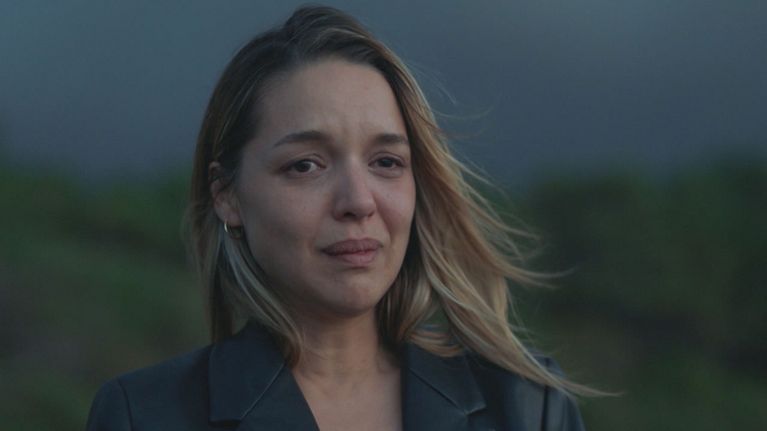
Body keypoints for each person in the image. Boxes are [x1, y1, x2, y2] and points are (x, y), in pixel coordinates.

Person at [86, 5, 593, 430]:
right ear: (227, 195)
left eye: (386, 162)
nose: (358, 201)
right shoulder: (143, 415)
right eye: (306, 165)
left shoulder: (528, 408)